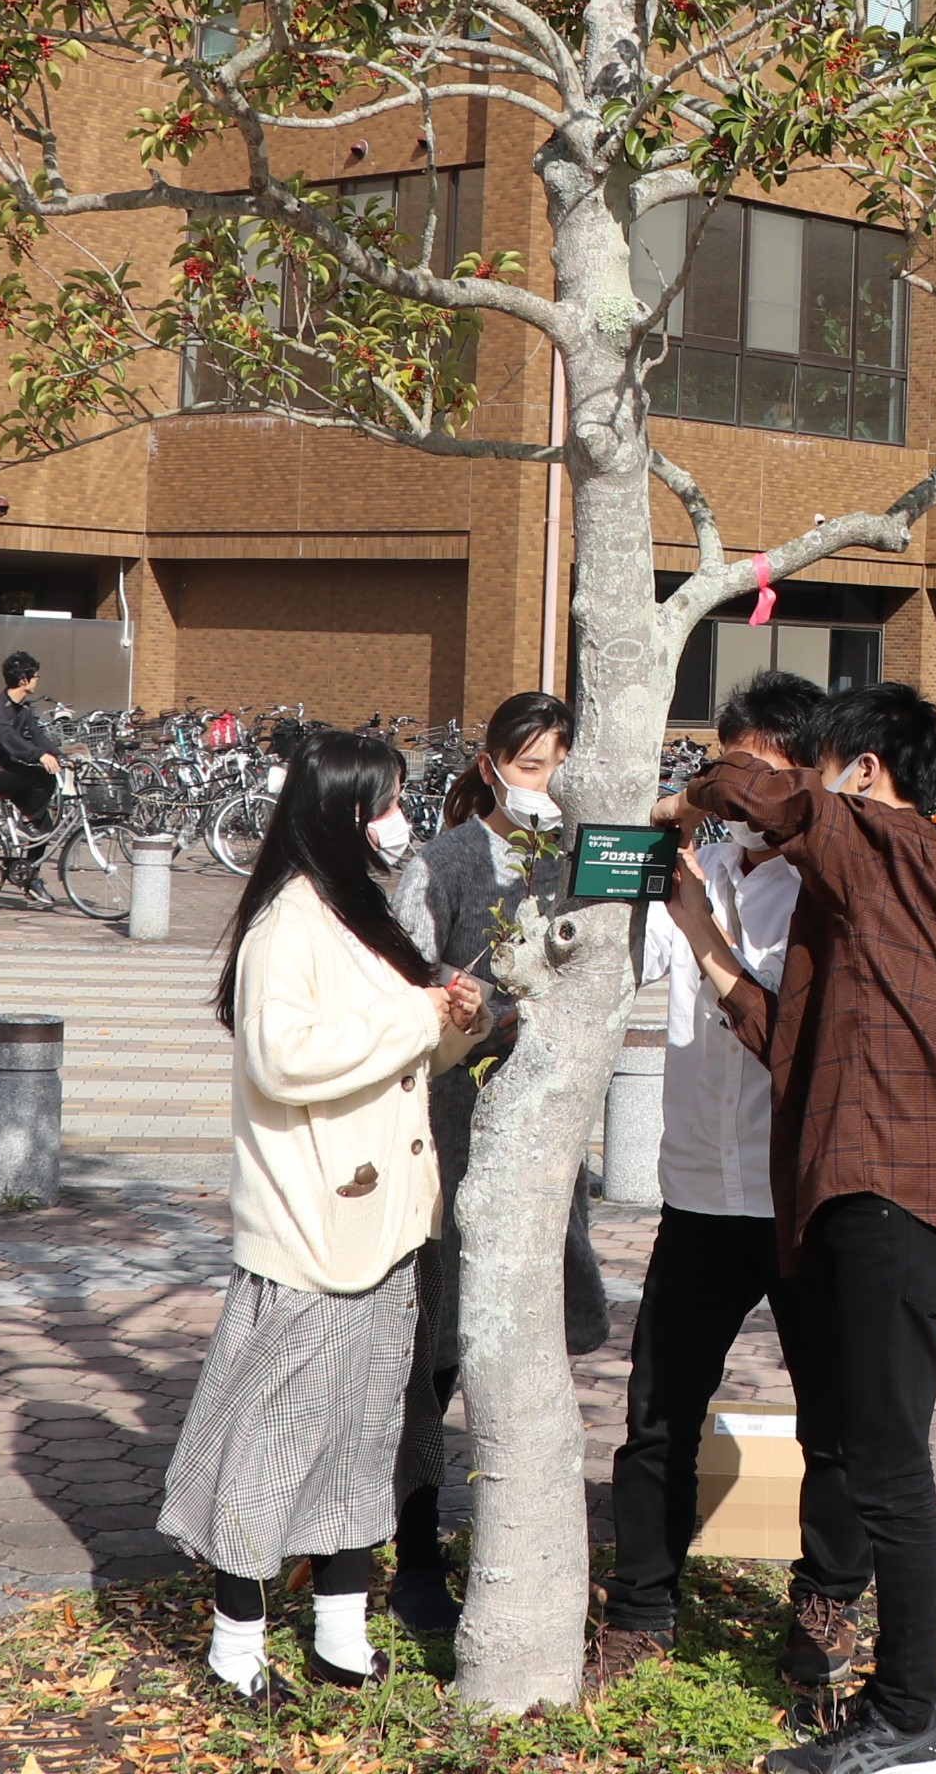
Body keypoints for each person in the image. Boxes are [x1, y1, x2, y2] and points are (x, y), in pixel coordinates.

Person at [661, 682, 936, 1774]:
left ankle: (911, 1720)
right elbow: (791, 1047)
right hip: (876, 1195)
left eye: (823, 768)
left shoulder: (892, 845)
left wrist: (689, 804)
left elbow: (749, 784)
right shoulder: (882, 898)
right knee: (879, 1457)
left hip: (888, 1199)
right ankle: (905, 1711)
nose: (805, 790)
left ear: (863, 772)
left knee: (886, 1465)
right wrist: (698, 924)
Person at [154, 729, 483, 1698]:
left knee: (362, 1441)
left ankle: (343, 1638)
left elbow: (405, 1057)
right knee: (276, 1441)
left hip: (385, 1230)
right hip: (313, 1234)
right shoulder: (288, 925)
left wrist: (454, 1023)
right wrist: (421, 1017)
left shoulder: (364, 913)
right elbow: (287, 1057)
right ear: (339, 811)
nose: (399, 821)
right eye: (383, 803)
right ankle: (236, 1654)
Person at [592, 671, 868, 1697]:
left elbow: (777, 1030)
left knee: (835, 1415)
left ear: (807, 780)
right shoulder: (694, 858)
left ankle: (829, 1597)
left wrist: (698, 915)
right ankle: (642, 1609)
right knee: (661, 1412)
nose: (734, 790)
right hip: (699, 1194)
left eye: (760, 775)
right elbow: (615, 951)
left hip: (803, 1194)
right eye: (726, 766)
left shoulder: (831, 884)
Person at [382, 689, 611, 1633]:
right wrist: (463, 1004)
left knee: (530, 1339)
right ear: (489, 765)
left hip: (544, 1136)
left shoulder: (583, 864)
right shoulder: (441, 864)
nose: (544, 784)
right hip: (450, 1125)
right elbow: (400, 984)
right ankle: (417, 1545)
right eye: (529, 765)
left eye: (559, 764)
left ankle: (514, 1544)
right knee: (433, 1351)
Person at [0, 650, 65, 833]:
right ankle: (25, 823)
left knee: (43, 827)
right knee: (43, 778)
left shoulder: (24, 708)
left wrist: (61, 756)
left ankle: (24, 862)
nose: (37, 680)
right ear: (23, 680)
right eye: (35, 676)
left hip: (13, 769)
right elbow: (9, 738)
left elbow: (37, 736)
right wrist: (39, 755)